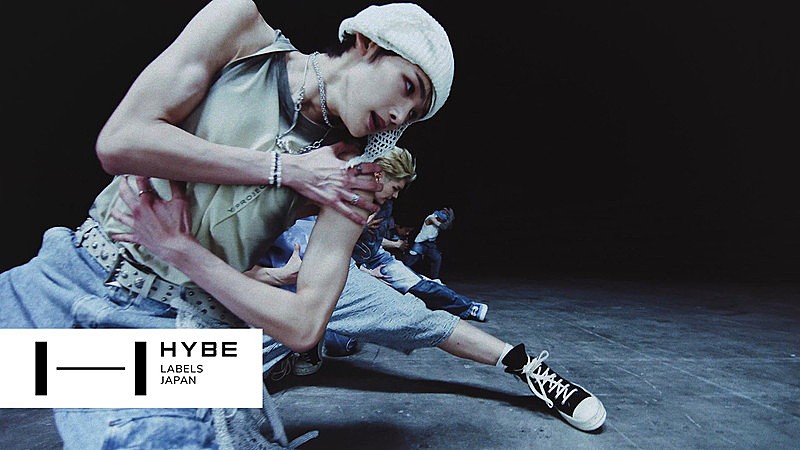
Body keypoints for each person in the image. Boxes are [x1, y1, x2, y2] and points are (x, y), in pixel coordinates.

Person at [0, 1, 455, 448]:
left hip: (180, 330)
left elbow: (303, 326)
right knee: (53, 372)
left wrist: (181, 249)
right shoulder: (241, 28)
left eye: (415, 115)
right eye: (407, 87)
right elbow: (120, 143)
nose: (399, 116)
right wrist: (286, 170)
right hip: (72, 269)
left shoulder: (352, 177)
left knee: (153, 439)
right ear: (367, 43)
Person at [235, 147, 606, 432]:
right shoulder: (269, 199)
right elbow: (209, 269)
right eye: (393, 188)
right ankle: (293, 355)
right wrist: (277, 277)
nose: (393, 198)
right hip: (255, 309)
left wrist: (370, 269)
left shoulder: (357, 225)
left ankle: (528, 368)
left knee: (417, 318)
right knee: (205, 392)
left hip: (332, 282)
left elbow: (414, 309)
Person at [404, 207, 455, 280]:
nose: (442, 220)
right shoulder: (431, 218)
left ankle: (434, 279)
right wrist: (451, 217)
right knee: (411, 260)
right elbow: (443, 227)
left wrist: (451, 219)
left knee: (437, 259)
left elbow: (448, 227)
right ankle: (402, 274)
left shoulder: (439, 220)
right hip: (421, 242)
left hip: (431, 244)